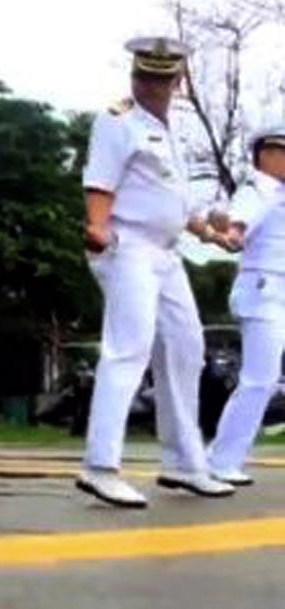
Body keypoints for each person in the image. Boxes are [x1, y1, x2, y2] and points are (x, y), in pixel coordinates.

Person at [75, 37, 236, 507]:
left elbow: (170, 203)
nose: (155, 86)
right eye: (147, 76)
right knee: (129, 348)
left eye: (164, 78)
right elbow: (100, 183)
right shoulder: (117, 121)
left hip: (165, 254)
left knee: (188, 348)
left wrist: (211, 235)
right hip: (128, 248)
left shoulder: (169, 132)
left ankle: (185, 464)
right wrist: (97, 228)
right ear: (135, 77)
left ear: (178, 81)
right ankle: (100, 466)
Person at [205, 122, 285, 486]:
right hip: (263, 288)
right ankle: (220, 461)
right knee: (259, 380)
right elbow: (240, 219)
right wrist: (233, 232)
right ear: (266, 155)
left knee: (264, 381)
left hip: (276, 289)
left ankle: (223, 459)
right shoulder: (259, 187)